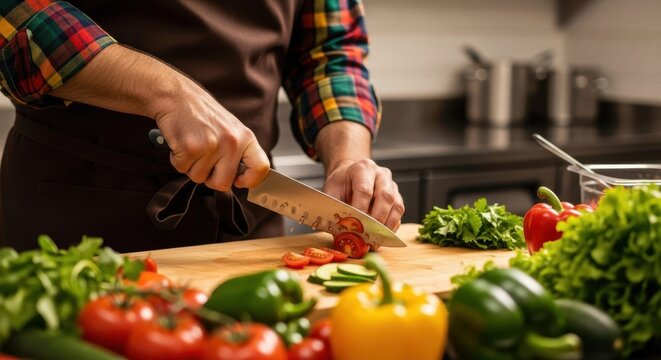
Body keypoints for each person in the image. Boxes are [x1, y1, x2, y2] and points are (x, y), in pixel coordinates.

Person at [0, 0, 405, 252]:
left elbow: (329, 52)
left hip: (249, 225)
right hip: (76, 218)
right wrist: (167, 93)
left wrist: (348, 158)